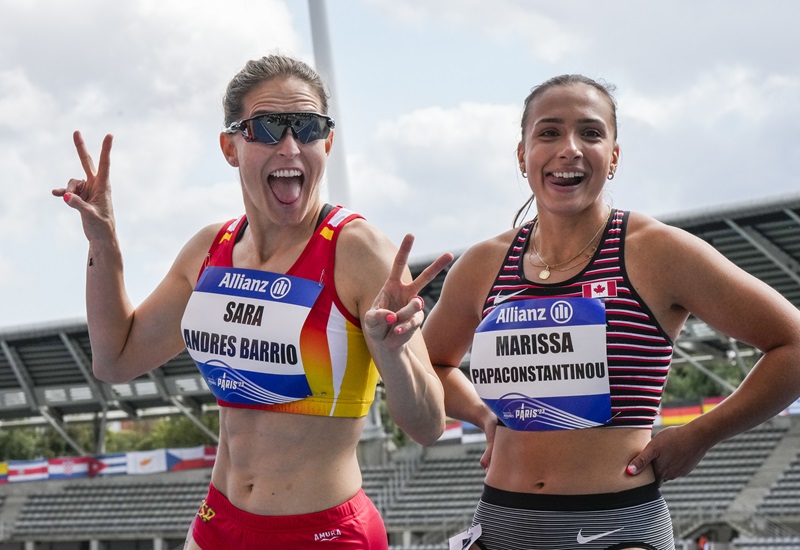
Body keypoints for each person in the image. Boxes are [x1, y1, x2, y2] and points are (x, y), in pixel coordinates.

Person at [52, 54, 452, 549]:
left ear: (327, 143)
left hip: (322, 535)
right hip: (216, 525)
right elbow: (116, 359)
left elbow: (429, 426)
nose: (291, 146)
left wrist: (392, 354)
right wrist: (103, 241)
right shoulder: (210, 249)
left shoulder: (359, 251)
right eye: (267, 128)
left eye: (308, 128)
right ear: (230, 147)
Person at [422, 74, 800, 550]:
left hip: (619, 525)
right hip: (501, 523)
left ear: (614, 156)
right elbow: (428, 365)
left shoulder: (657, 252)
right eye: (549, 132)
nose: (570, 149)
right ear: (522, 155)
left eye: (591, 133)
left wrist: (701, 434)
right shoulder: (483, 264)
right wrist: (484, 414)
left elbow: (793, 344)